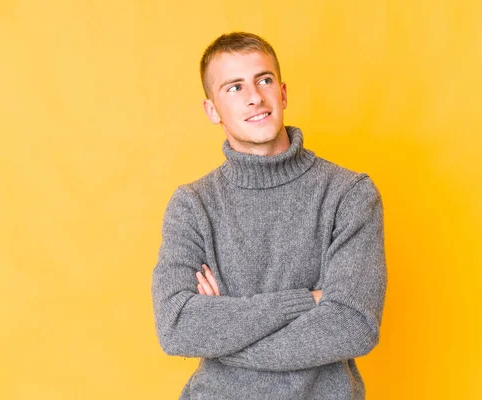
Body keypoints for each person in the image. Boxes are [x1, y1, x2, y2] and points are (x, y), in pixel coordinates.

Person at [151, 31, 387, 400]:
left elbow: (353, 324)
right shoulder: (192, 205)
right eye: (234, 87)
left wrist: (222, 330)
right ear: (212, 109)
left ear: (283, 93)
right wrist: (306, 301)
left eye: (264, 80)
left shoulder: (349, 194)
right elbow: (177, 326)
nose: (255, 97)